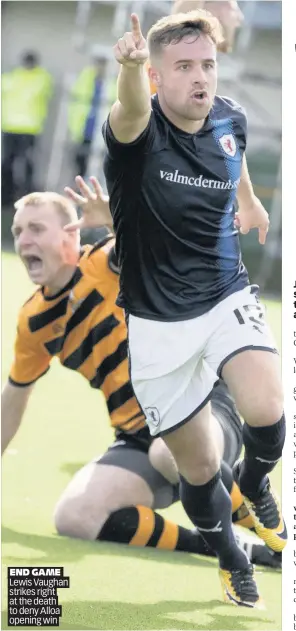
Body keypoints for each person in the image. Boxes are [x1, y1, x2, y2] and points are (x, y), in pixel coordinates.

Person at [99, 9, 286, 608]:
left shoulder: (230, 115)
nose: (201, 77)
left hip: (223, 293)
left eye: (207, 64)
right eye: (183, 67)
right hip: (156, 325)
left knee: (268, 403)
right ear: (157, 78)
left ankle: (255, 483)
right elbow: (127, 110)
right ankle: (230, 555)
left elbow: (232, 162)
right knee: (199, 469)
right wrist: (128, 70)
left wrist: (252, 204)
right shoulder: (137, 131)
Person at [1, 180, 279, 572]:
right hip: (138, 434)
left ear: (71, 232)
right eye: (17, 231)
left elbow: (153, 239)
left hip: (204, 404)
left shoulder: (105, 261)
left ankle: (275, 534)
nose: (23, 238)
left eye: (36, 228)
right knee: (76, 516)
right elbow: (13, 399)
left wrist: (115, 219)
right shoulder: (34, 320)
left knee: (168, 452)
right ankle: (228, 547)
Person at [1, 51, 53, 205]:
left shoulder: (40, 78)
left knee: (25, 163)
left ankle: (23, 195)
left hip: (27, 128)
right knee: (11, 163)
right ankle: (8, 195)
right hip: (14, 127)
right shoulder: (18, 77)